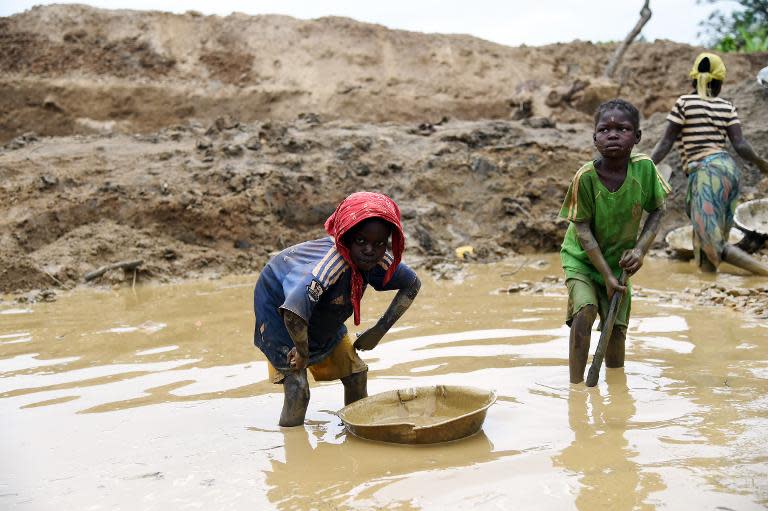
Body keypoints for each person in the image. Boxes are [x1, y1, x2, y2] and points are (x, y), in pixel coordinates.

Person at [253, 191, 421, 426]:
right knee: (299, 390)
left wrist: (379, 330)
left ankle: (357, 431)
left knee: (356, 374)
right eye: (361, 241)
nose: (370, 250)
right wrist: (301, 353)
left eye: (379, 243)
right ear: (347, 238)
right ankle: (294, 450)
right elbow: (292, 313)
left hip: (322, 312)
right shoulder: (327, 269)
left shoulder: (375, 260)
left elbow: (412, 284)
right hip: (279, 314)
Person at [560, 99, 670, 384]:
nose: (612, 134)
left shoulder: (644, 169)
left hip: (619, 262)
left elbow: (658, 210)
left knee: (616, 333)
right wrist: (605, 276)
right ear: (594, 137)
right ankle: (576, 390)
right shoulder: (585, 178)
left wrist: (640, 250)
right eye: (604, 129)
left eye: (622, 129)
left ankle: (616, 392)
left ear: (637, 137)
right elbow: (581, 230)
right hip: (583, 260)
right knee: (586, 311)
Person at [651, 52, 768, 275]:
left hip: (707, 172)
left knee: (712, 242)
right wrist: (762, 164)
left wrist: (641, 165)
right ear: (720, 82)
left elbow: (665, 142)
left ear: (693, 79)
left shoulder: (684, 103)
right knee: (707, 238)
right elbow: (741, 145)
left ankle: (764, 274)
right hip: (729, 170)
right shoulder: (726, 106)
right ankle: (707, 284)